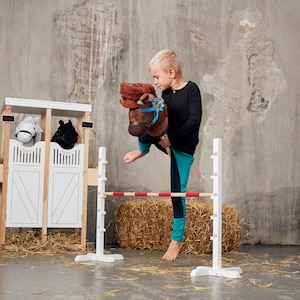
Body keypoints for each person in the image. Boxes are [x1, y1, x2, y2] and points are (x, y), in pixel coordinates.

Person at [124, 49, 202, 261]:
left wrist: (173, 140)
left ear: (171, 72)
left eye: (157, 77)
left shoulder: (191, 90)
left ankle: (177, 240)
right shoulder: (165, 96)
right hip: (165, 139)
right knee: (149, 124)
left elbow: (194, 121)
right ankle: (142, 149)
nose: (156, 81)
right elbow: (159, 114)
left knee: (177, 193)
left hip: (182, 147)